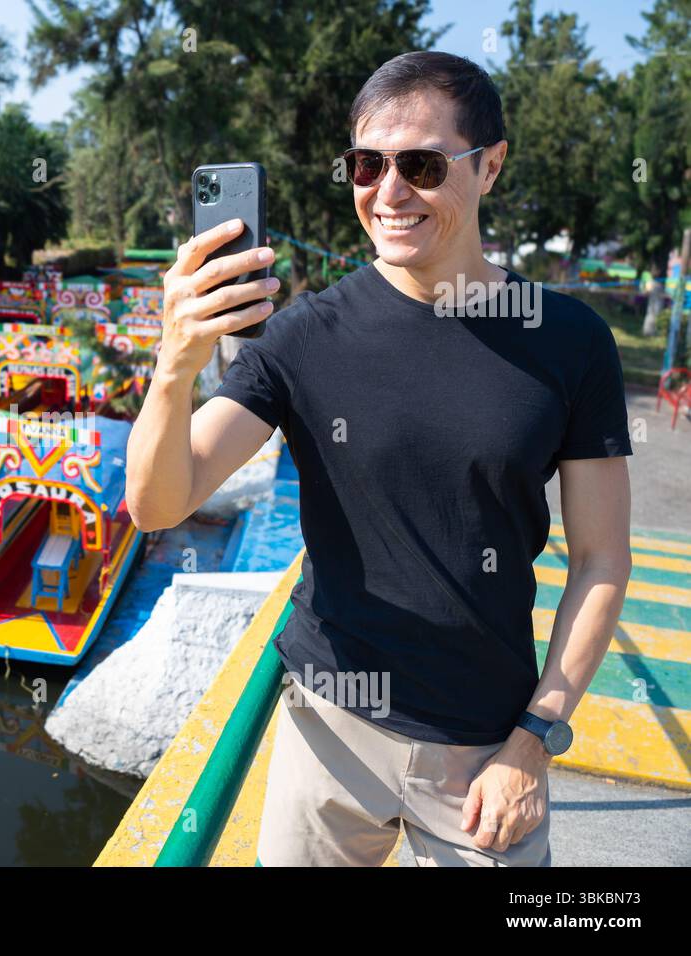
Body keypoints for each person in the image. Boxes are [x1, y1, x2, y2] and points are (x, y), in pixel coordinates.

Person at [126, 51, 632, 866]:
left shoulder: (570, 342)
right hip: (324, 736)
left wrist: (534, 742)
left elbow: (603, 562)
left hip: (484, 758)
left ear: (490, 165)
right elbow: (158, 505)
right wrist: (173, 363)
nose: (389, 193)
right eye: (367, 164)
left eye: (423, 165)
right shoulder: (302, 336)